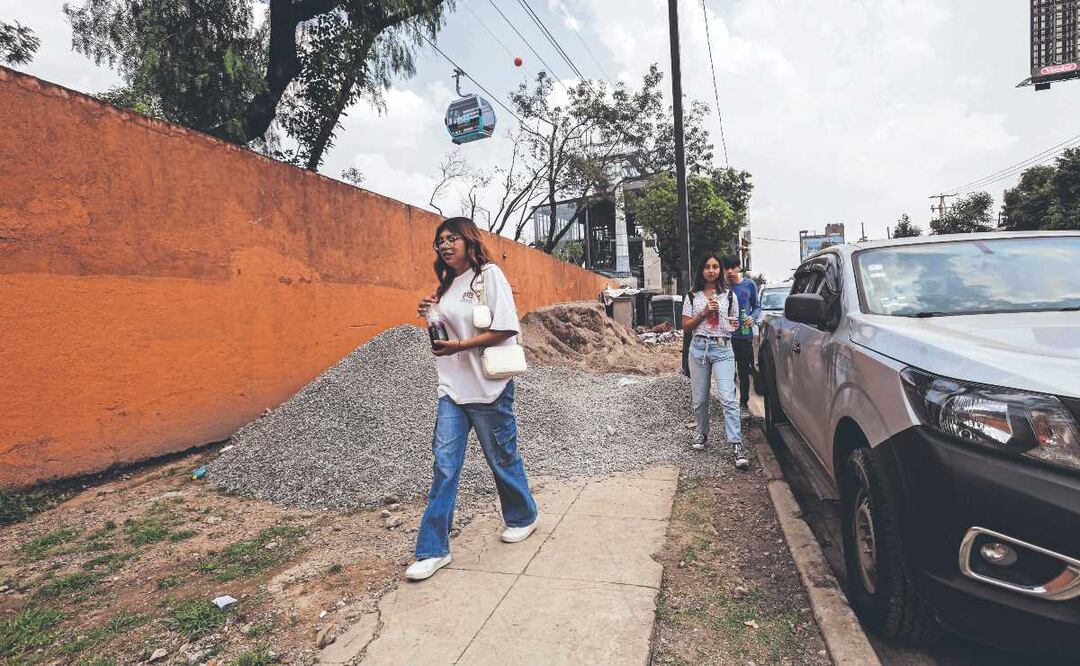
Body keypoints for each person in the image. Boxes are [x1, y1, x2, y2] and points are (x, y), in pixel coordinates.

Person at [407, 217, 540, 581]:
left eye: (452, 239)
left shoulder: (490, 276)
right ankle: (433, 550)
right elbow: (449, 330)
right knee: (444, 466)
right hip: (451, 388)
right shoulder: (447, 284)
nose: (445, 246)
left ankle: (523, 515)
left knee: (502, 457)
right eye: (440, 241)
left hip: (489, 388)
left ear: (468, 241)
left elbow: (506, 326)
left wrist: (461, 345)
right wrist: (431, 314)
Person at [681, 253, 749, 470]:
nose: (712, 270)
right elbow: (686, 326)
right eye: (708, 267)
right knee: (700, 398)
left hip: (722, 348)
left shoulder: (729, 297)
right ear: (701, 270)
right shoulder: (692, 296)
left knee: (728, 397)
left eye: (715, 267)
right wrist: (703, 312)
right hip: (699, 348)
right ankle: (702, 433)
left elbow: (732, 325)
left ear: (720, 270)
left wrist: (735, 324)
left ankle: (736, 444)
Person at [723, 255, 761, 419]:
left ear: (739, 268)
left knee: (744, 371)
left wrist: (753, 317)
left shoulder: (749, 284)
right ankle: (730, 404)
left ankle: (744, 403)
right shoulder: (722, 287)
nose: (730, 271)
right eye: (727, 268)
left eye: (733, 267)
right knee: (729, 372)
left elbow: (757, 306)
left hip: (744, 336)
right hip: (726, 336)